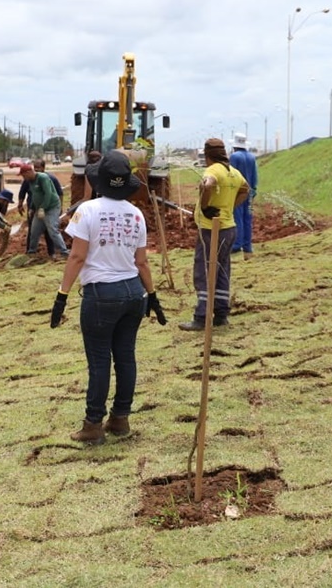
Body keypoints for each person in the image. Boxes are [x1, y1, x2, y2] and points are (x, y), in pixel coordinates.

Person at [50, 150, 167, 445]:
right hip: (133, 293)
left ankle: (93, 425)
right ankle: (120, 418)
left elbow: (76, 256)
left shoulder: (87, 211)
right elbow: (142, 262)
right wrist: (152, 295)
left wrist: (62, 296)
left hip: (102, 294)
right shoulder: (136, 213)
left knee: (100, 360)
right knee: (125, 356)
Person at [179, 138, 249, 331]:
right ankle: (221, 314)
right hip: (229, 228)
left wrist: (206, 207)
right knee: (222, 271)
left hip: (212, 230)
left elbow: (207, 185)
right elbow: (246, 190)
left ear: (208, 154)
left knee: (204, 271)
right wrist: (229, 207)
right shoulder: (233, 172)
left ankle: (201, 317)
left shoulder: (213, 170)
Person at [17, 164, 69, 260]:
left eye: (24, 175)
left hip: (51, 207)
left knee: (52, 230)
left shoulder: (43, 178)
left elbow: (48, 194)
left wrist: (43, 208)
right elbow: (35, 195)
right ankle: (32, 252)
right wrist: (32, 208)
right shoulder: (30, 181)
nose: (23, 178)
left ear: (28, 172)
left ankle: (64, 252)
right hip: (40, 208)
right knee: (34, 231)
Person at [229, 133, 258, 258]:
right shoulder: (252, 157)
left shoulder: (234, 157)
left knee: (238, 217)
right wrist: (254, 189)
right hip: (250, 192)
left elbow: (231, 175)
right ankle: (247, 246)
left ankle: (236, 245)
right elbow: (255, 175)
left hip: (238, 192)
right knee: (248, 218)